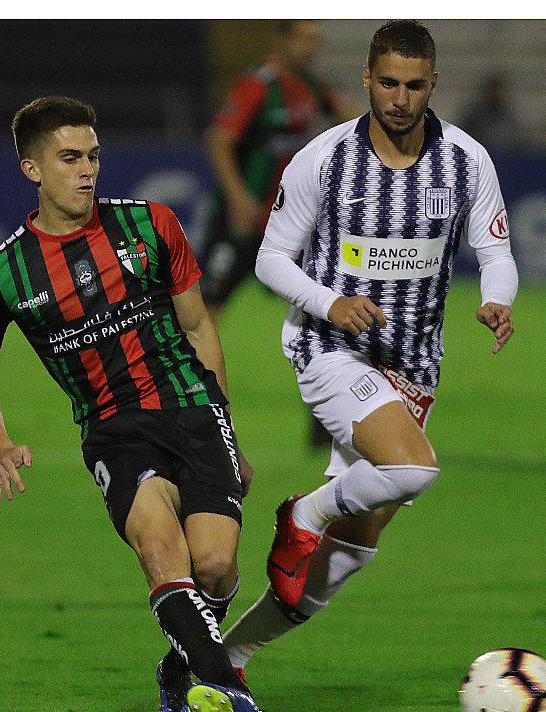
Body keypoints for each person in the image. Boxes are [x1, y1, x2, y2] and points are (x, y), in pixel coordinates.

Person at [0, 96, 271, 712]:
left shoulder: (150, 225)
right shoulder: (1, 274)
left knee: (214, 568)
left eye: (93, 156)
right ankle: (230, 692)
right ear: (31, 168)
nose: (87, 170)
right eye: (69, 158)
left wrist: (227, 424)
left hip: (192, 409)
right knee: (161, 547)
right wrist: (0, 443)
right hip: (113, 430)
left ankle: (178, 669)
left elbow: (197, 323)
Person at [221, 20, 518, 675]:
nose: (400, 98)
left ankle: (225, 655)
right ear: (366, 78)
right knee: (413, 468)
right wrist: (331, 303)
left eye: (415, 85)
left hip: (414, 366)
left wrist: (499, 296)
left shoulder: (467, 160)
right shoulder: (323, 158)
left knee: (352, 550)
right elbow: (272, 260)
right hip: (330, 348)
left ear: (433, 84)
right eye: (388, 82)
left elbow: (495, 250)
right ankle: (302, 512)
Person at [204, 20, 355, 449]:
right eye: (304, 39)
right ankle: (188, 412)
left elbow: (348, 116)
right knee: (203, 316)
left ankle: (326, 420)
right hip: (242, 224)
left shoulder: (310, 86)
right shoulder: (258, 87)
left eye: (316, 41)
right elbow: (219, 138)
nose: (311, 48)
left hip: (289, 226)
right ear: (282, 40)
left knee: (322, 314)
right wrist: (236, 197)